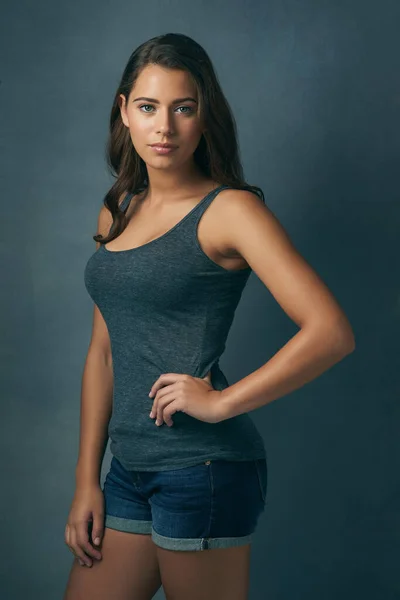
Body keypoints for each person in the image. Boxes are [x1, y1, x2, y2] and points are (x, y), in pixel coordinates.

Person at [63, 32, 355, 600]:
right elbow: (103, 351)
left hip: (202, 471)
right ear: (124, 112)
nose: (164, 127)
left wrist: (221, 402)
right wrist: (85, 483)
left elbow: (331, 332)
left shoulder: (231, 212)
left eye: (183, 108)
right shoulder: (117, 207)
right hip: (128, 470)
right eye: (148, 107)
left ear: (204, 116)